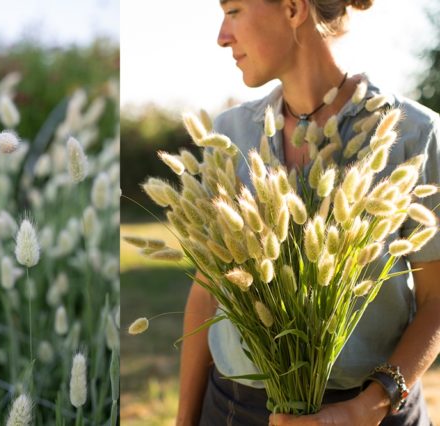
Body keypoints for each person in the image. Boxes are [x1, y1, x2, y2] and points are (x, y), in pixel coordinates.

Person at [176, 0, 440, 425]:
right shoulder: (228, 137)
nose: (222, 36)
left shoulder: (412, 133)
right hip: (233, 410)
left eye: (235, 10)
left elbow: (436, 299)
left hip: (376, 412)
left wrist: (367, 406)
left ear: (294, 9)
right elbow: (208, 292)